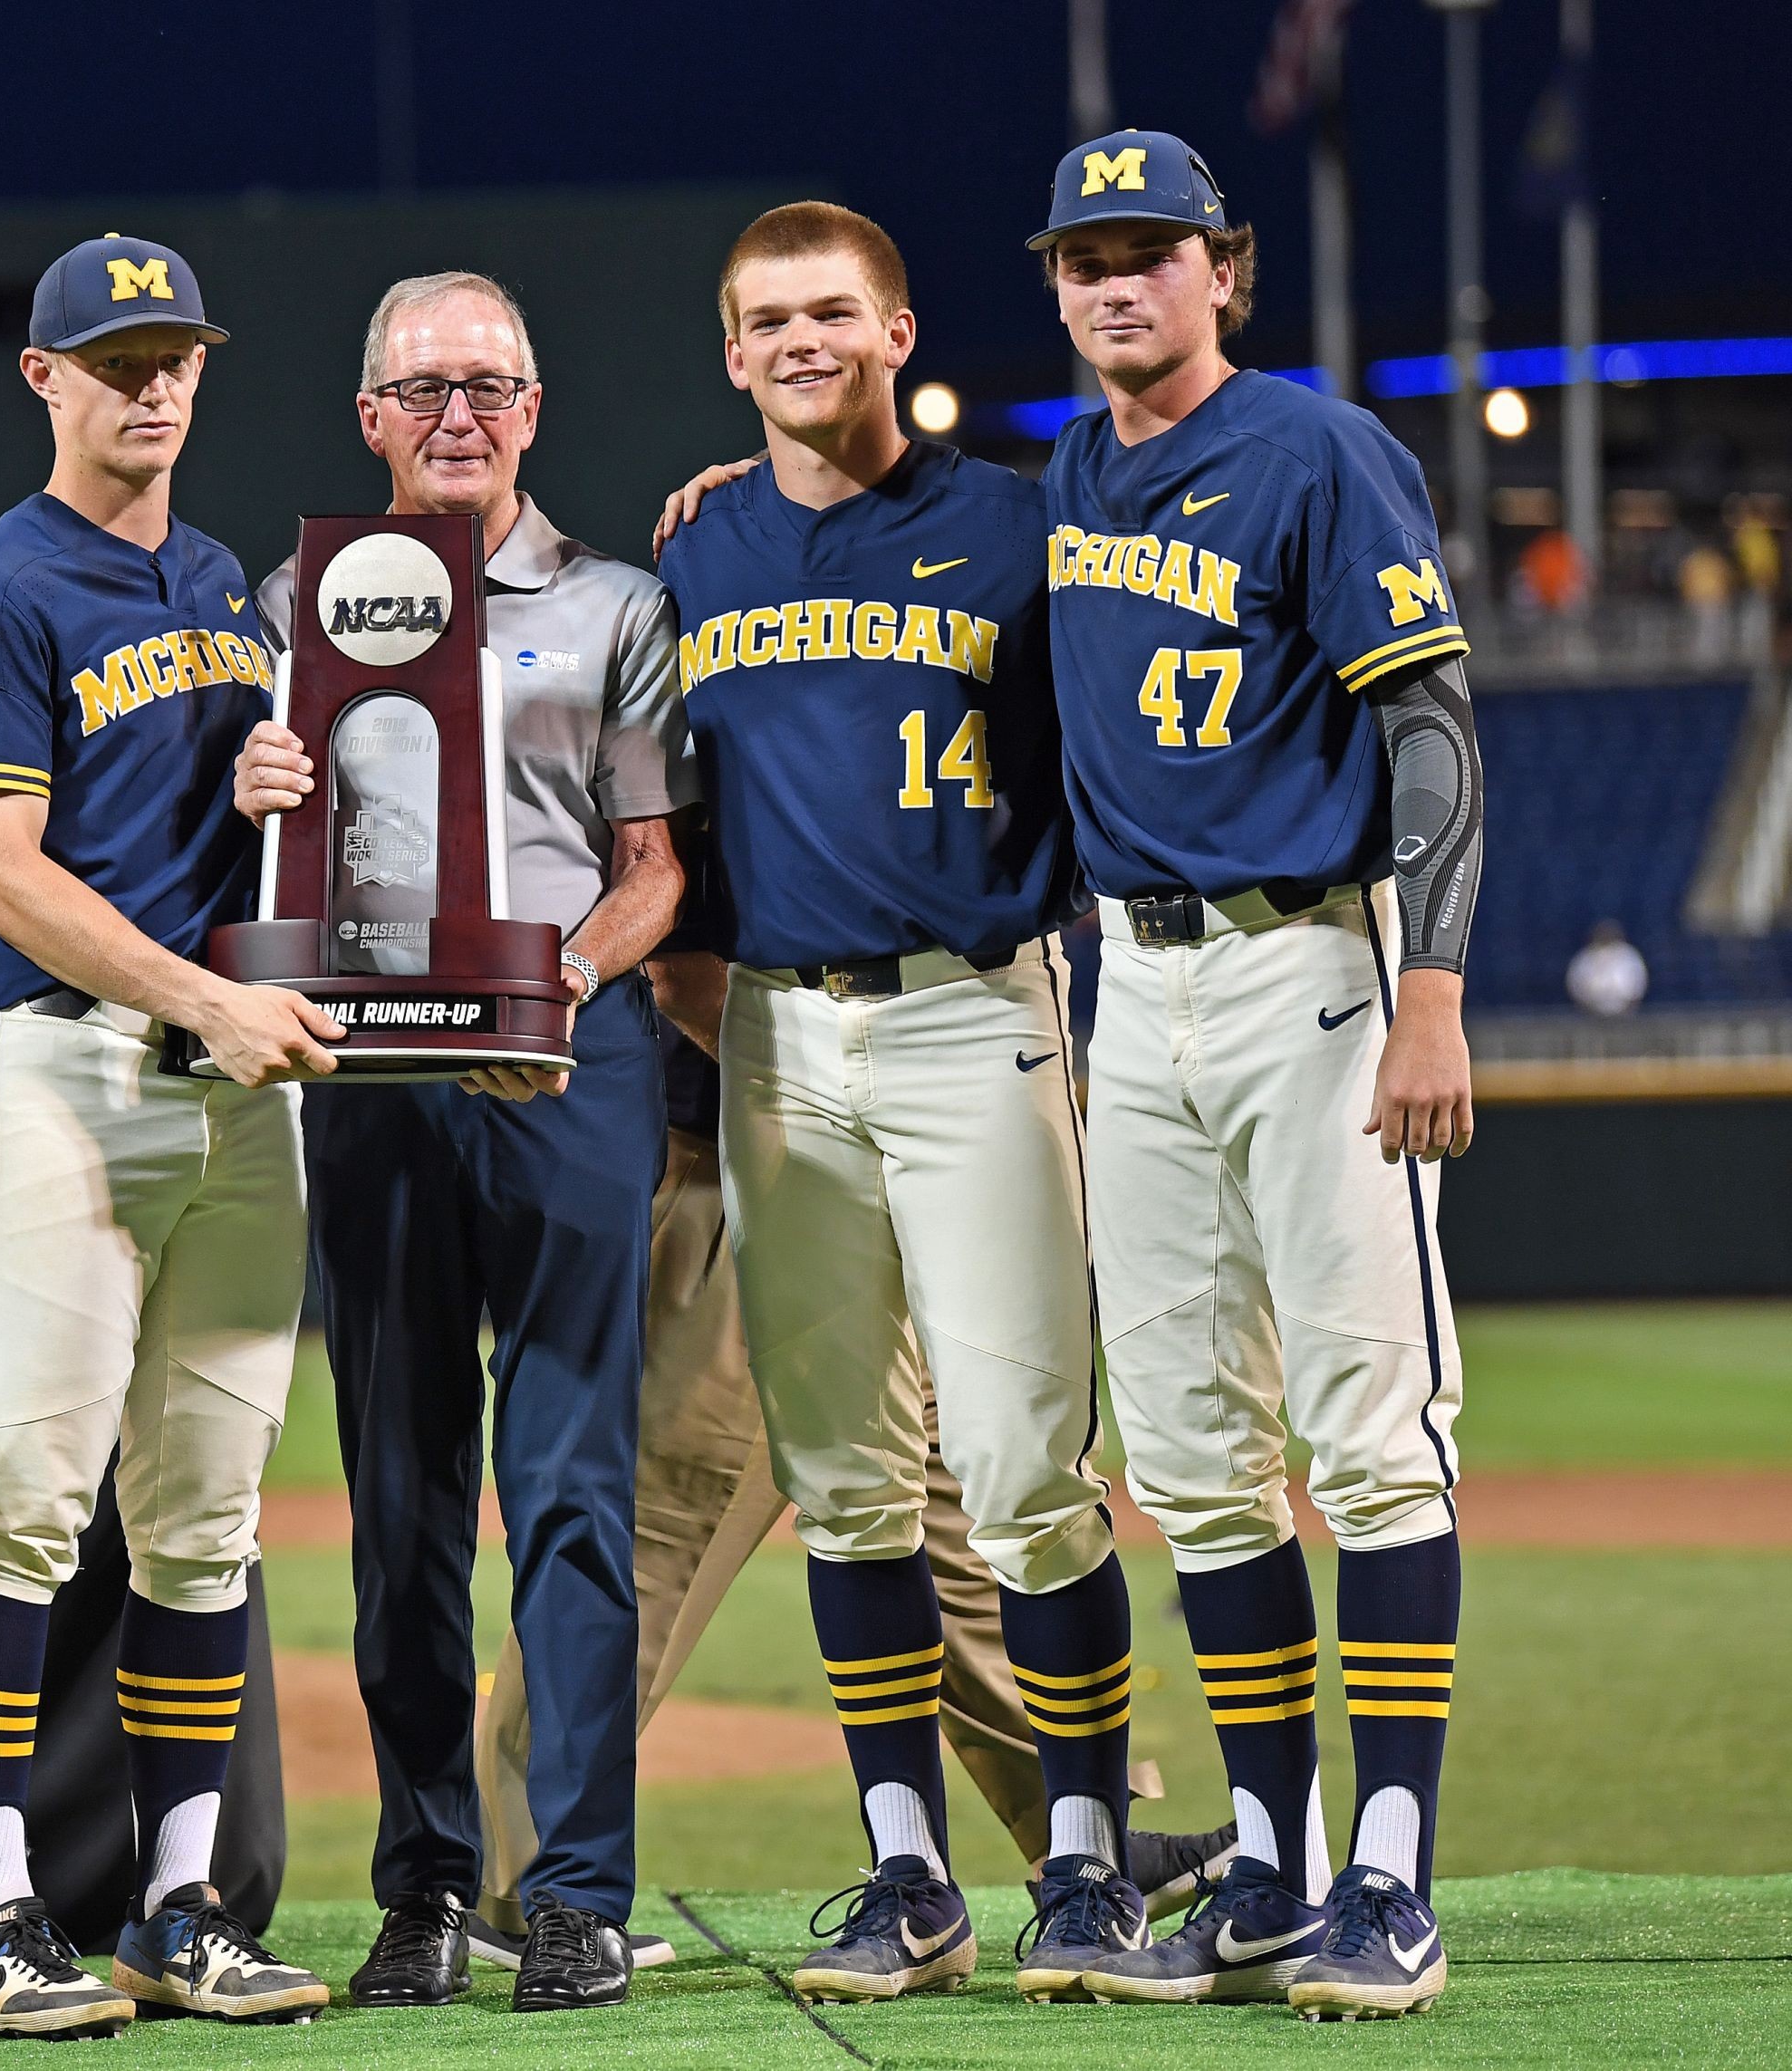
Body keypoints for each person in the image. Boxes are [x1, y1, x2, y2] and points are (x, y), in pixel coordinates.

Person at [624, 202, 1146, 2007]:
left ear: (900, 328)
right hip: (775, 1042)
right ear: (727, 350)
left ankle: (1085, 1866)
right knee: (847, 1480)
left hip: (971, 1019)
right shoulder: (690, 556)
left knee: (1022, 1470)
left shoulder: (1017, 524)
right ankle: (905, 1871)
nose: (798, 340)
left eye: (830, 312)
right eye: (766, 318)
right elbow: (663, 836)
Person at [1030, 132, 1486, 2019]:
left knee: (1369, 1437)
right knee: (1200, 1466)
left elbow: (1431, 723)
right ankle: (1272, 1862)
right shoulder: (1062, 473)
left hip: (1314, 967)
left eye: (1149, 254)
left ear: (1224, 268)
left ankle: (1392, 1874)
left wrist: (1434, 987)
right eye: (1083, 260)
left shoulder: (1315, 451)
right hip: (1131, 991)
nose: (1115, 286)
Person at [232, 270, 693, 2013]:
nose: (458, 417)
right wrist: (257, 793)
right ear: (369, 417)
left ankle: (571, 1892)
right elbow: (276, 871)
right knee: (400, 1497)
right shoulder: (291, 606)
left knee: (572, 1489)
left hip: (568, 1071)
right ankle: (422, 1885)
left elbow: (655, 869)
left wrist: (558, 989)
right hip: (370, 1082)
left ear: (535, 408)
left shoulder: (616, 608)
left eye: (489, 386)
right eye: (424, 390)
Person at [0, 234, 340, 2040]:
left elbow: (210, 830)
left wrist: (263, 784)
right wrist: (205, 999)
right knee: (22, 1494)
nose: (150, 381)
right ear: (44, 379)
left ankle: (179, 1906)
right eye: (114, 356)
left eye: (173, 353)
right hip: (71, 1074)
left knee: (203, 1522)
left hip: (235, 1091)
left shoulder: (233, 579)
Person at [467, 1003, 1238, 1952]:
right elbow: (678, 959)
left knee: (952, 1540)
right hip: (741, 1170)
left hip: (869, 1167)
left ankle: (1086, 1843)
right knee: (659, 1538)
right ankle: (515, 1885)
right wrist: (826, 1074)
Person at [1566, 920, 1647, 1017]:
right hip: (1591, 1014)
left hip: (1624, 1014)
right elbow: (1575, 986)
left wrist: (1629, 1008)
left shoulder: (1629, 955)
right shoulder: (1585, 957)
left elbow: (1638, 984)